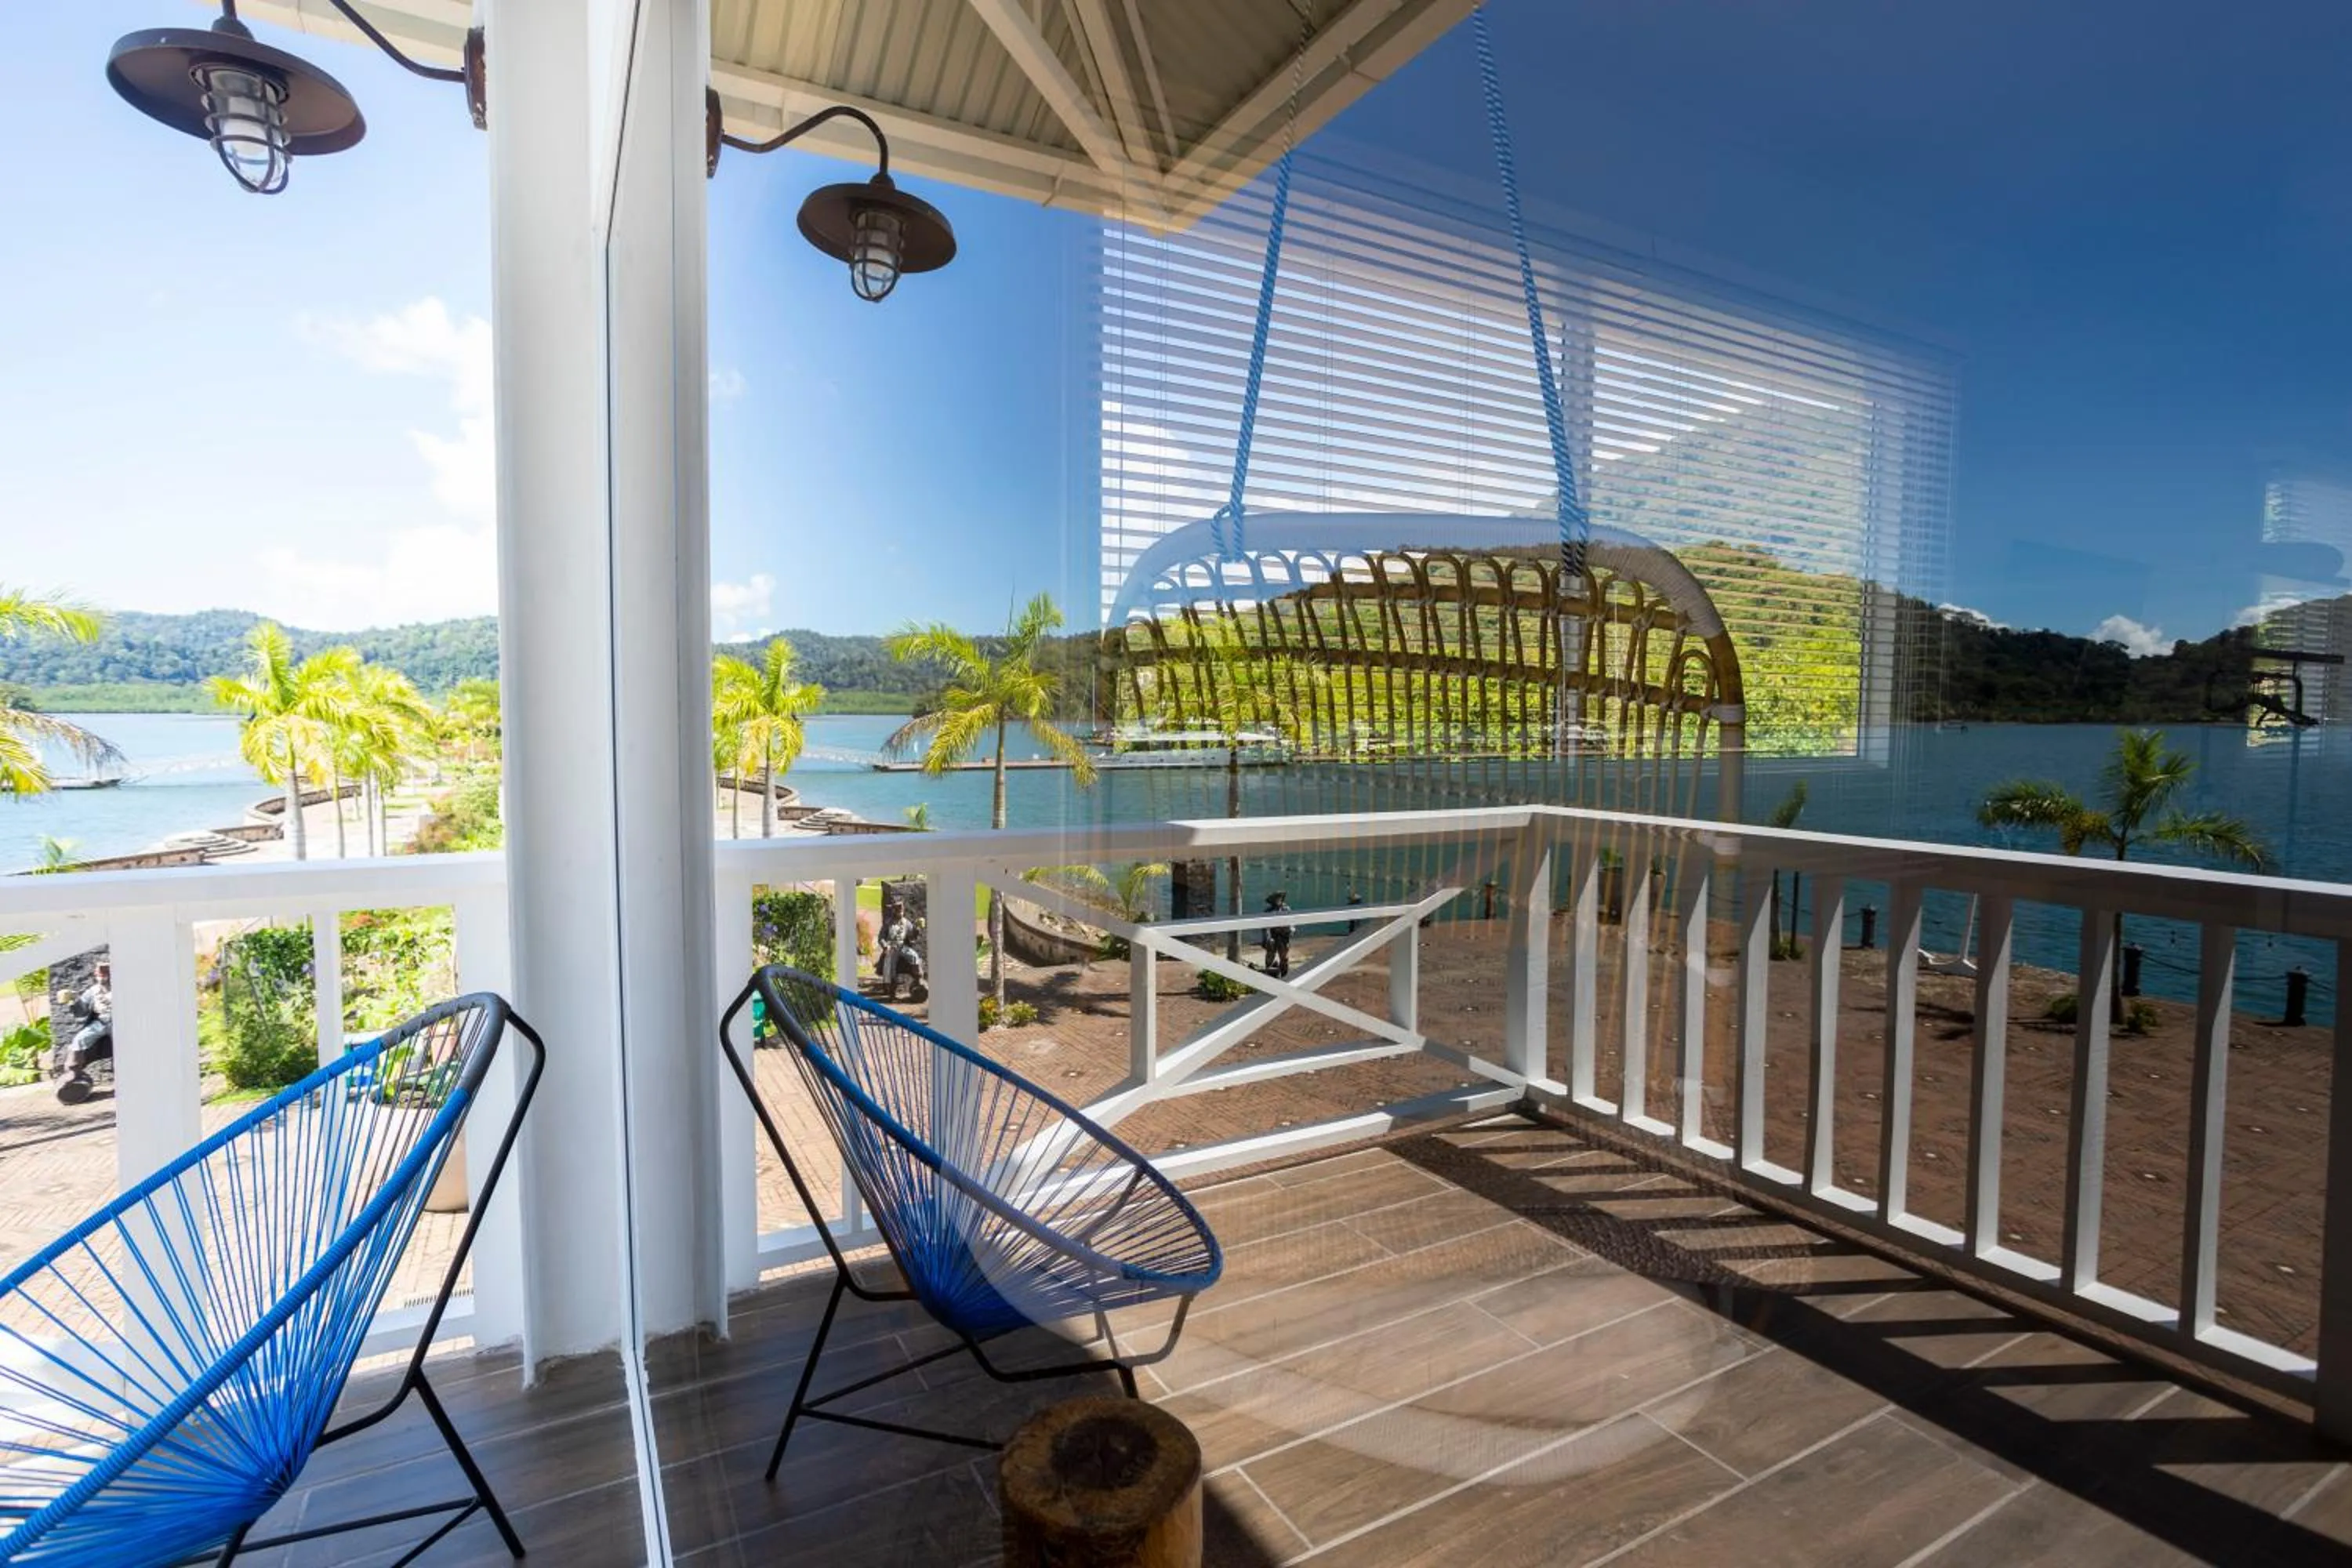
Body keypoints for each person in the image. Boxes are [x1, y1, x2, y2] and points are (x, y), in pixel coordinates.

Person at [60, 962, 111, 1076]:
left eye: (105, 975)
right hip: (100, 1023)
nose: (102, 978)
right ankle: (74, 1070)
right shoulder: (92, 992)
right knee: (79, 1040)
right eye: (100, 975)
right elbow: (81, 1012)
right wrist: (73, 1000)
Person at [1260, 891, 1294, 979]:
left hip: (1284, 936)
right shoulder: (1268, 911)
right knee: (1270, 953)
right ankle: (1269, 972)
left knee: (1284, 956)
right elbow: (1265, 928)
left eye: (1280, 898)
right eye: (1276, 898)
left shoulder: (1287, 909)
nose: (1278, 900)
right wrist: (1267, 938)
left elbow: (1292, 925)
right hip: (1272, 936)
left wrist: (1289, 931)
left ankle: (1285, 975)